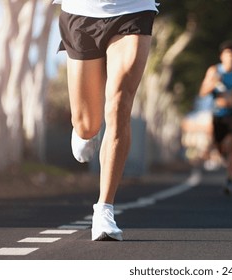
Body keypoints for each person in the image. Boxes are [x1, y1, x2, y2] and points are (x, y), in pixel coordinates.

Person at [55, 0, 158, 241]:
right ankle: (85, 131)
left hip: (133, 10)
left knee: (119, 105)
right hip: (81, 12)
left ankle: (104, 209)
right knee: (87, 124)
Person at [198, 41, 232, 195]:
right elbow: (203, 92)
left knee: (231, 145)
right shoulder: (214, 71)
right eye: (227, 54)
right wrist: (213, 83)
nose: (230, 57)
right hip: (218, 115)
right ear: (222, 56)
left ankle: (230, 180)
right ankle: (223, 154)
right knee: (220, 146)